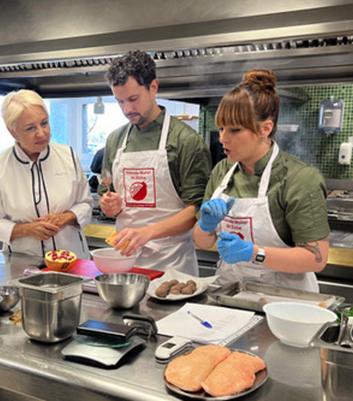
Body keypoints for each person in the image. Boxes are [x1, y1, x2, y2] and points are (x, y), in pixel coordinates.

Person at [192, 70, 330, 292]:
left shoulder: (299, 179)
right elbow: (203, 242)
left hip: (285, 299)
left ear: (265, 128)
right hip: (230, 294)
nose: (223, 138)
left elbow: (316, 258)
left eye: (234, 130)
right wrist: (205, 225)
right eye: (221, 128)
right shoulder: (222, 172)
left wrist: (254, 253)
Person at [98, 50, 211, 275]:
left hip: (172, 264)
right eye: (120, 101)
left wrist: (147, 232)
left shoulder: (186, 141)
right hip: (125, 261)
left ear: (153, 87)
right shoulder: (115, 140)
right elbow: (106, 192)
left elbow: (197, 210)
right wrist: (109, 205)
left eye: (133, 99)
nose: (127, 109)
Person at [0, 89, 93, 258]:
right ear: (13, 131)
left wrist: (67, 217)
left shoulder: (68, 156)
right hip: (23, 263)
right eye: (30, 128)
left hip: (73, 260)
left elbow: (85, 203)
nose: (41, 133)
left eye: (44, 123)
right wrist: (25, 230)